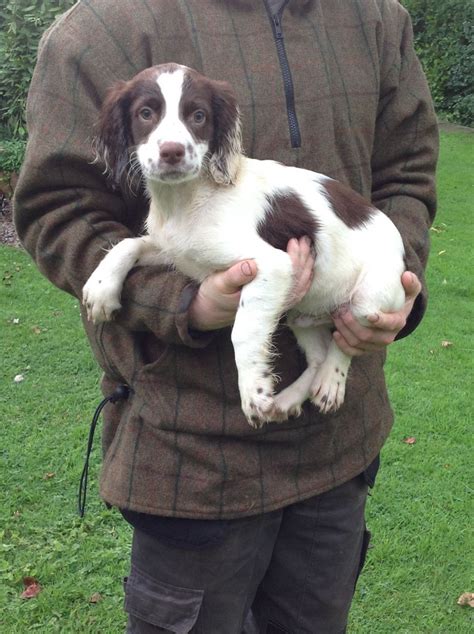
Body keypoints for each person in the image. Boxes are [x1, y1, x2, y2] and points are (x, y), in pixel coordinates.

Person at [13, 1, 438, 632]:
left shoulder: (375, 15)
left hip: (338, 443)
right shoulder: (102, 27)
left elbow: (405, 173)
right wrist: (181, 301)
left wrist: (395, 287)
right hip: (189, 453)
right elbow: (56, 209)